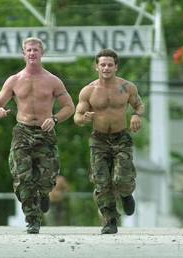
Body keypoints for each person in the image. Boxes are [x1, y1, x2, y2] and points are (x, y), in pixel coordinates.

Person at [0, 37, 75, 234]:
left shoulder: (53, 81)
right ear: (23, 53)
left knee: (46, 179)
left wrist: (54, 119)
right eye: (28, 50)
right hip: (23, 131)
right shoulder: (14, 80)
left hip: (46, 133)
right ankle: (32, 219)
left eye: (35, 50)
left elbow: (69, 107)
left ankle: (44, 193)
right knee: (23, 177)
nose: (32, 53)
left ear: (41, 53)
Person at [74, 48, 145, 234]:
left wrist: (137, 115)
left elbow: (139, 104)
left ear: (116, 67)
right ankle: (110, 221)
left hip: (121, 137)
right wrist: (84, 119)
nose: (106, 68)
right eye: (102, 64)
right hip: (99, 139)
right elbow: (77, 116)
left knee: (121, 178)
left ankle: (126, 192)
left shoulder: (127, 87)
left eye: (110, 65)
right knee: (101, 182)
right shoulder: (88, 91)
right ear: (96, 67)